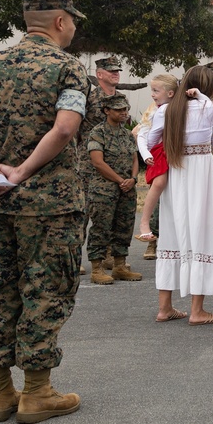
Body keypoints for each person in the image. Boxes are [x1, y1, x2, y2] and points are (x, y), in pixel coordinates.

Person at [0, 0, 88, 424]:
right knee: (45, 291)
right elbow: (66, 128)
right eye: (73, 22)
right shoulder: (67, 68)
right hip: (50, 206)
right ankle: (36, 392)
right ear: (61, 21)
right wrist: (23, 171)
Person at [147, 65, 213, 325]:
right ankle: (197, 310)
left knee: (174, 232)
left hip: (175, 172)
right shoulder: (212, 107)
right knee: (202, 232)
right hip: (202, 174)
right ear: (207, 88)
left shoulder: (166, 110)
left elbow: (151, 141)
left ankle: (165, 308)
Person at [85, 94, 141, 284]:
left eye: (125, 109)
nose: (124, 113)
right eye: (119, 110)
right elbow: (97, 162)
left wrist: (133, 179)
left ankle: (119, 266)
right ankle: (97, 269)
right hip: (104, 189)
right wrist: (120, 180)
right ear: (107, 111)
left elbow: (135, 159)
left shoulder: (127, 134)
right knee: (101, 228)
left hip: (127, 188)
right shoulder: (97, 132)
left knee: (124, 227)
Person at [79, 56, 124, 267]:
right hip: (88, 162)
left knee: (110, 210)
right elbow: (75, 127)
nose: (116, 73)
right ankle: (75, 256)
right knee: (84, 209)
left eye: (117, 70)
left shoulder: (121, 99)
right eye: (111, 70)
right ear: (99, 74)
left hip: (114, 162)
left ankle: (106, 254)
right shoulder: (89, 98)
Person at [134, 73, 179, 259]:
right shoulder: (156, 110)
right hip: (159, 151)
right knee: (159, 183)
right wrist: (146, 154)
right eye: (152, 90)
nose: (152, 94)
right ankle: (144, 222)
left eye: (155, 90)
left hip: (175, 150)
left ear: (170, 93)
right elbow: (144, 135)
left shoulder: (177, 106)